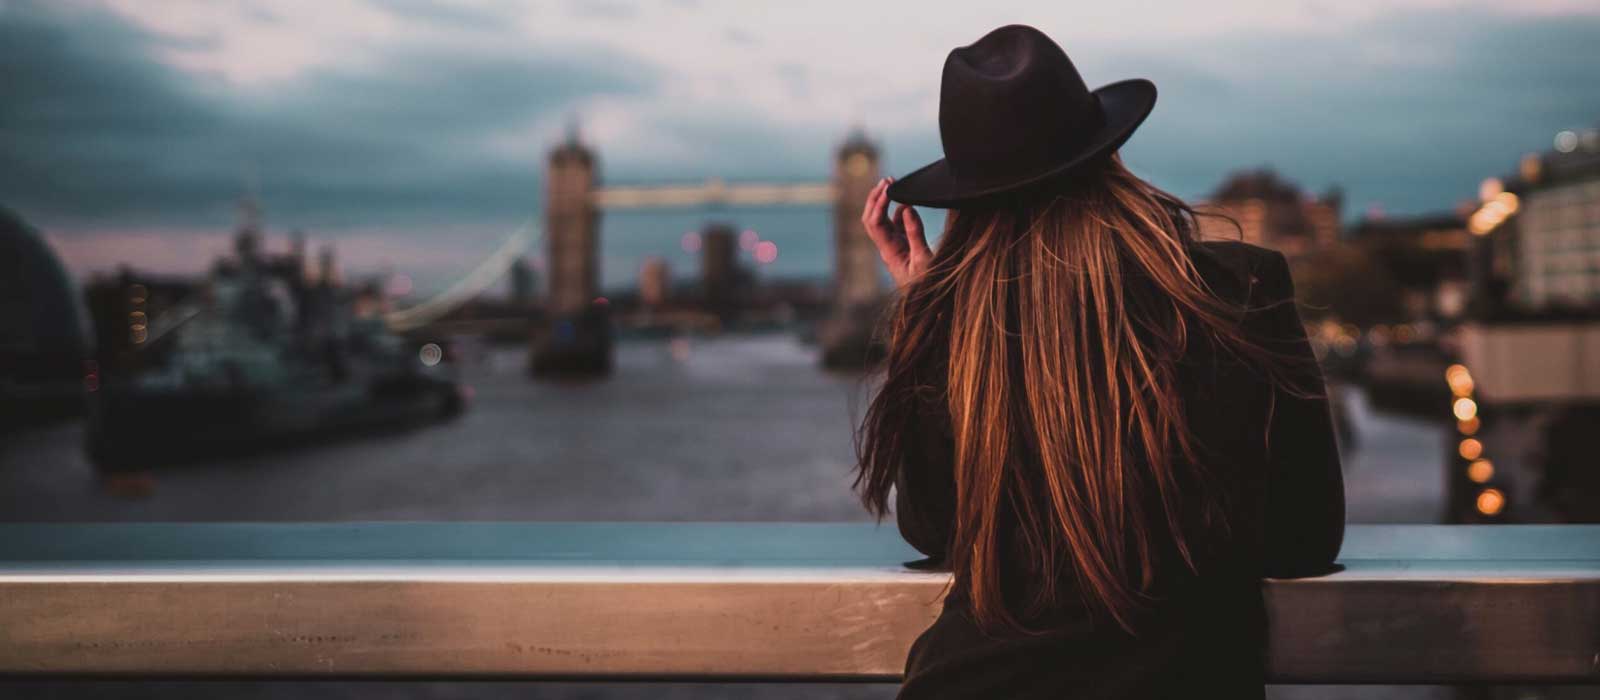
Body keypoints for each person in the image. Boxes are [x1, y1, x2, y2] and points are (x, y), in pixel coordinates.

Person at [854, 24, 1345, 699]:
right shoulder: (1241, 288)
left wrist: (924, 309)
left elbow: (935, 530)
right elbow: (1305, 539)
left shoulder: (961, 324)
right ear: (1108, 156)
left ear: (966, 205)